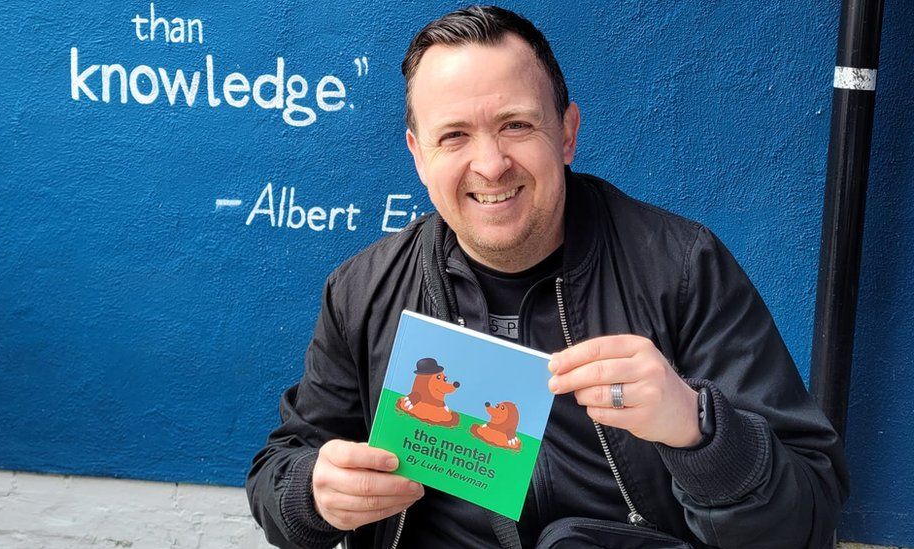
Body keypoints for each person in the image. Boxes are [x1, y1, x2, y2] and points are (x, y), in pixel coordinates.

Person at [246, 5, 848, 548]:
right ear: (418, 154)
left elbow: (809, 521)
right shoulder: (362, 290)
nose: (490, 164)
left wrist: (698, 428)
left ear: (567, 132)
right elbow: (279, 474)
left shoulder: (681, 267)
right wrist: (313, 494)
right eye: (454, 136)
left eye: (516, 125)